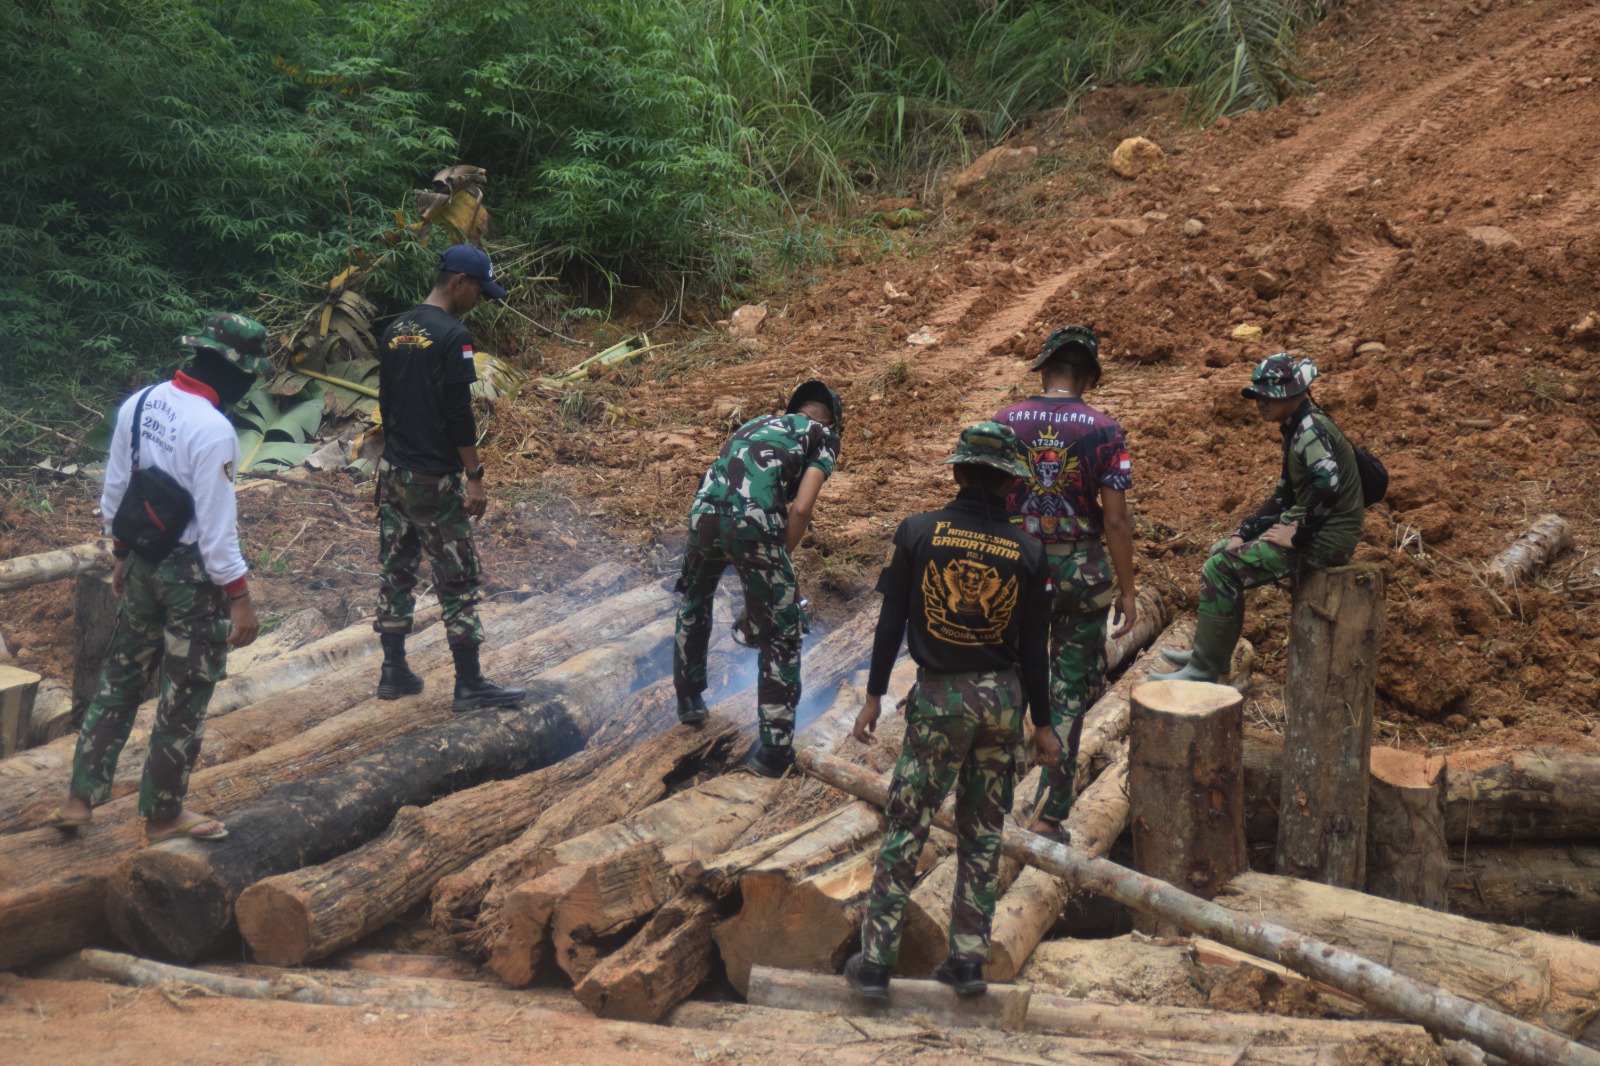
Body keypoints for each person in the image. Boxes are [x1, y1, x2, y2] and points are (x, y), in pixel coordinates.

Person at [844, 422, 1059, 1000]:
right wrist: (1044, 722)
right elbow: (1037, 647)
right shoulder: (1030, 550)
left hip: (940, 699)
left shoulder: (918, 532)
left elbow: (891, 623)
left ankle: (875, 963)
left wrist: (874, 695)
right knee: (984, 830)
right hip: (1004, 703)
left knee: (908, 821)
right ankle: (967, 961)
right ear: (1012, 484)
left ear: (958, 472)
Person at [51, 314, 267, 842]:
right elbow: (217, 532)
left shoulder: (143, 401)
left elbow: (119, 487)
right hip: (191, 577)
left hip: (144, 563)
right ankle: (164, 815)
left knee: (120, 680)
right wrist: (239, 598)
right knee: (184, 694)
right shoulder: (214, 430)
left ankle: (80, 798)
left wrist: (121, 553)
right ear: (236, 372)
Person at [994, 324, 1137, 838]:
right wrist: (1127, 588)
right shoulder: (1105, 429)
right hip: (1081, 572)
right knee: (1069, 689)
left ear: (1044, 368)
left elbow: (986, 494)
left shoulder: (1005, 421)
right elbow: (1116, 520)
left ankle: (991, 801)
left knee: (1007, 680)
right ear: (1088, 378)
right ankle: (1050, 814)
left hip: (1017, 568)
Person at [373, 244, 524, 713]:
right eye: (479, 289)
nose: (479, 299)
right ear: (459, 282)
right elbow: (458, 414)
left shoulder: (395, 329)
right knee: (456, 578)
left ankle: (393, 671)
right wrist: (474, 476)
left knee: (397, 571)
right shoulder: (454, 335)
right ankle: (469, 683)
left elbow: (389, 402)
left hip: (393, 472)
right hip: (433, 478)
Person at [1152, 352, 1363, 682]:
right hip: (1311, 529)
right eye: (1257, 396)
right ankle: (1210, 653)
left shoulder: (1310, 430)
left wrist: (1297, 537)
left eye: (1267, 396)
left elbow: (1329, 490)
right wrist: (1243, 531)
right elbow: (1283, 496)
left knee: (1220, 570)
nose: (1259, 403)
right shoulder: (1296, 427)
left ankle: (1205, 670)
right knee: (1221, 553)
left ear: (1293, 394)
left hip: (1325, 543)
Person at [672, 379, 843, 777]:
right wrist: (779, 559)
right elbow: (801, 508)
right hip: (754, 522)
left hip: (703, 516)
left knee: (695, 599)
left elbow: (715, 474)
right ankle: (775, 752)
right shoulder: (824, 435)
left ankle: (689, 698)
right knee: (782, 632)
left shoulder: (754, 423)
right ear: (832, 420)